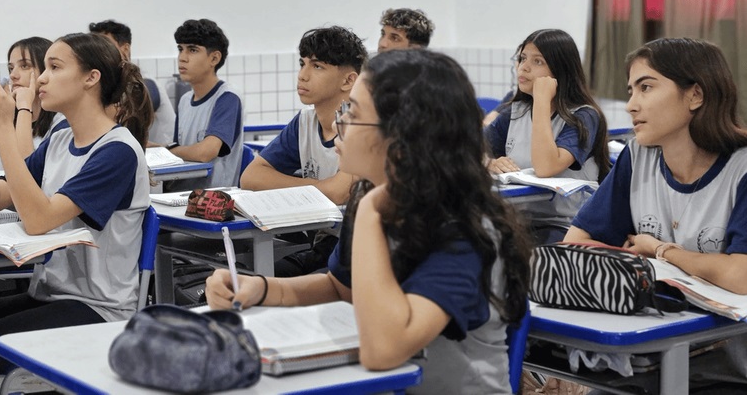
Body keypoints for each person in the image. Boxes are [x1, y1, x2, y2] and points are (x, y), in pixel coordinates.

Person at [207, 49, 532, 394]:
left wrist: (372, 211)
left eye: (352, 112)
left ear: (402, 138)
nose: (337, 124)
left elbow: (384, 351)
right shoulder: (372, 197)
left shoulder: (464, 231)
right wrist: (263, 288)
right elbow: (341, 289)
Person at [566, 37, 747, 394]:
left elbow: (740, 276)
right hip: (645, 361)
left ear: (695, 95)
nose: (632, 105)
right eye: (630, 91)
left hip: (730, 370)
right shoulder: (637, 157)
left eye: (646, 88)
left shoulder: (741, 168)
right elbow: (577, 244)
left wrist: (661, 252)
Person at [0, 33, 152, 341]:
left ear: (91, 78)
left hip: (98, 310)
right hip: (50, 294)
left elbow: (38, 219)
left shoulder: (117, 151)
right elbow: (7, 191)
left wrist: (4, 127)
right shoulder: (60, 138)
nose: (41, 79)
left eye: (54, 67)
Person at [241, 26, 367, 277]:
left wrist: (302, 188)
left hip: (359, 252)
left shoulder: (364, 123)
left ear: (348, 80)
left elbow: (340, 191)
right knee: (242, 283)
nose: (303, 75)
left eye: (317, 66)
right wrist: (317, 185)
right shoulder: (304, 122)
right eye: (302, 63)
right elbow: (251, 178)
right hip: (324, 246)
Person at [485, 29, 610, 244]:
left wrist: (542, 100)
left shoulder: (584, 116)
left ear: (560, 70)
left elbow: (545, 167)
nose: (524, 67)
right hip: (520, 220)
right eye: (523, 58)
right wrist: (489, 162)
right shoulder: (515, 111)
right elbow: (467, 150)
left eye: (538, 61)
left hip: (567, 225)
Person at [166, 18, 243, 191]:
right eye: (180, 49)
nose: (182, 58)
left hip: (211, 202)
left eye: (192, 50)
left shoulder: (227, 97)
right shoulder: (185, 101)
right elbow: (180, 150)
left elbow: (205, 153)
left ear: (214, 58)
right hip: (180, 196)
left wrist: (167, 151)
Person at [89, 19, 176, 147]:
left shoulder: (144, 83)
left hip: (163, 159)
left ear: (125, 49)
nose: (99, 53)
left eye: (105, 46)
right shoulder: (112, 84)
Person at [0, 37, 69, 169]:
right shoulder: (10, 114)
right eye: (11, 68)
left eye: (24, 66)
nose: (13, 75)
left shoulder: (62, 124)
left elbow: (27, 171)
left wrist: (24, 107)